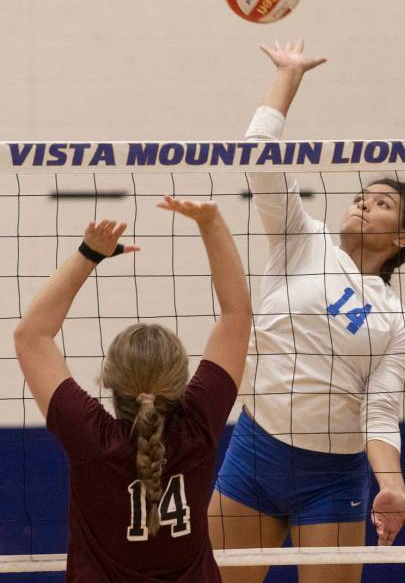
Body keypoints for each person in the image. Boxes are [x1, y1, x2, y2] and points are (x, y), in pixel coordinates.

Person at [209, 39, 405, 583]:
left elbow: (379, 409)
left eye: (381, 203)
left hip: (330, 477)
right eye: (362, 194)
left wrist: (392, 484)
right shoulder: (302, 240)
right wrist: (290, 74)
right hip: (254, 453)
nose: (363, 202)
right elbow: (258, 152)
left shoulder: (395, 320)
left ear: (401, 237)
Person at [14, 197, 252, 583]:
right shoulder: (198, 425)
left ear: (108, 377)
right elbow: (237, 314)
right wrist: (210, 223)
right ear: (181, 378)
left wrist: (89, 253)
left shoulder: (91, 438)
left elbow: (30, 336)